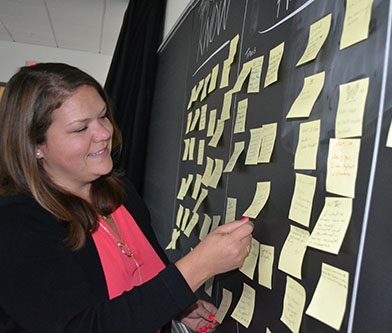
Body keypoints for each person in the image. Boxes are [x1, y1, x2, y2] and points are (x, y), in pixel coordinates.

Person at [0, 63, 254, 332]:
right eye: (80, 129)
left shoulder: (119, 192)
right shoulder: (14, 224)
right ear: (35, 146)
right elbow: (86, 326)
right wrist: (197, 268)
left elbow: (145, 276)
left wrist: (179, 306)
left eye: (102, 116)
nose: (104, 133)